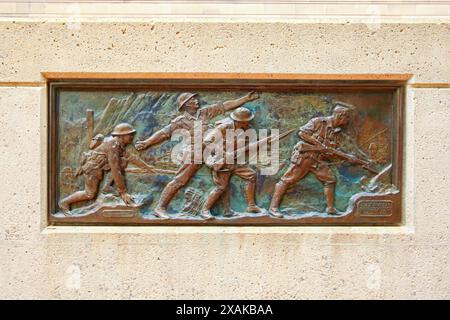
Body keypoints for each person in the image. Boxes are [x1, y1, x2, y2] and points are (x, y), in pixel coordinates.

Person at [135, 91, 259, 219]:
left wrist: (245, 98)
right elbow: (163, 133)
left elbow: (225, 106)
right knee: (180, 180)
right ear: (186, 105)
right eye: (192, 100)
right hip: (195, 152)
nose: (196, 101)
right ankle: (159, 207)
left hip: (213, 150)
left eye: (195, 98)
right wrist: (146, 142)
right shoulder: (180, 121)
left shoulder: (204, 112)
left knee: (224, 176)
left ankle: (226, 210)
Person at [269, 102, 356, 217]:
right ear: (340, 115)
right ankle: (273, 208)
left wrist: (347, 157)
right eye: (347, 117)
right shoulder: (318, 121)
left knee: (330, 180)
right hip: (305, 156)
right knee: (287, 179)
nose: (348, 120)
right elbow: (302, 133)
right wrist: (318, 144)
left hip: (319, 160)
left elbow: (331, 149)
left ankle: (330, 208)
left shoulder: (336, 132)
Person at [58, 123, 136, 214]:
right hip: (92, 168)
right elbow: (115, 169)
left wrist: (148, 167)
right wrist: (123, 192)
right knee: (89, 194)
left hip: (100, 166)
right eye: (130, 134)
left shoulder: (119, 144)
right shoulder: (112, 145)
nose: (132, 136)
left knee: (123, 161)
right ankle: (64, 202)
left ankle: (107, 188)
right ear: (122, 136)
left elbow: (129, 158)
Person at [200, 107, 263, 219]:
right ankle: (205, 210)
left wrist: (262, 143)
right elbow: (206, 141)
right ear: (239, 121)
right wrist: (223, 153)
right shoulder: (225, 126)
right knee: (221, 187)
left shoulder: (247, 129)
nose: (249, 122)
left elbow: (248, 147)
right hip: (221, 161)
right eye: (246, 120)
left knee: (251, 175)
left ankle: (251, 206)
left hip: (235, 160)